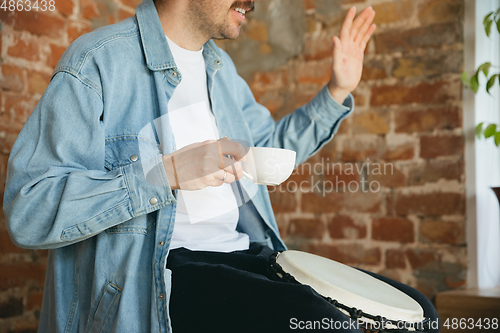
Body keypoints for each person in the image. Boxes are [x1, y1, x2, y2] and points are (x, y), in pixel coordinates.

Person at [3, 0, 439, 332]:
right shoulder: (97, 62)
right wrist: (165, 173)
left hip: (241, 255)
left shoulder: (221, 68)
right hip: (162, 275)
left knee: (418, 313)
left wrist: (336, 93)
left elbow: (268, 151)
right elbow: (29, 209)